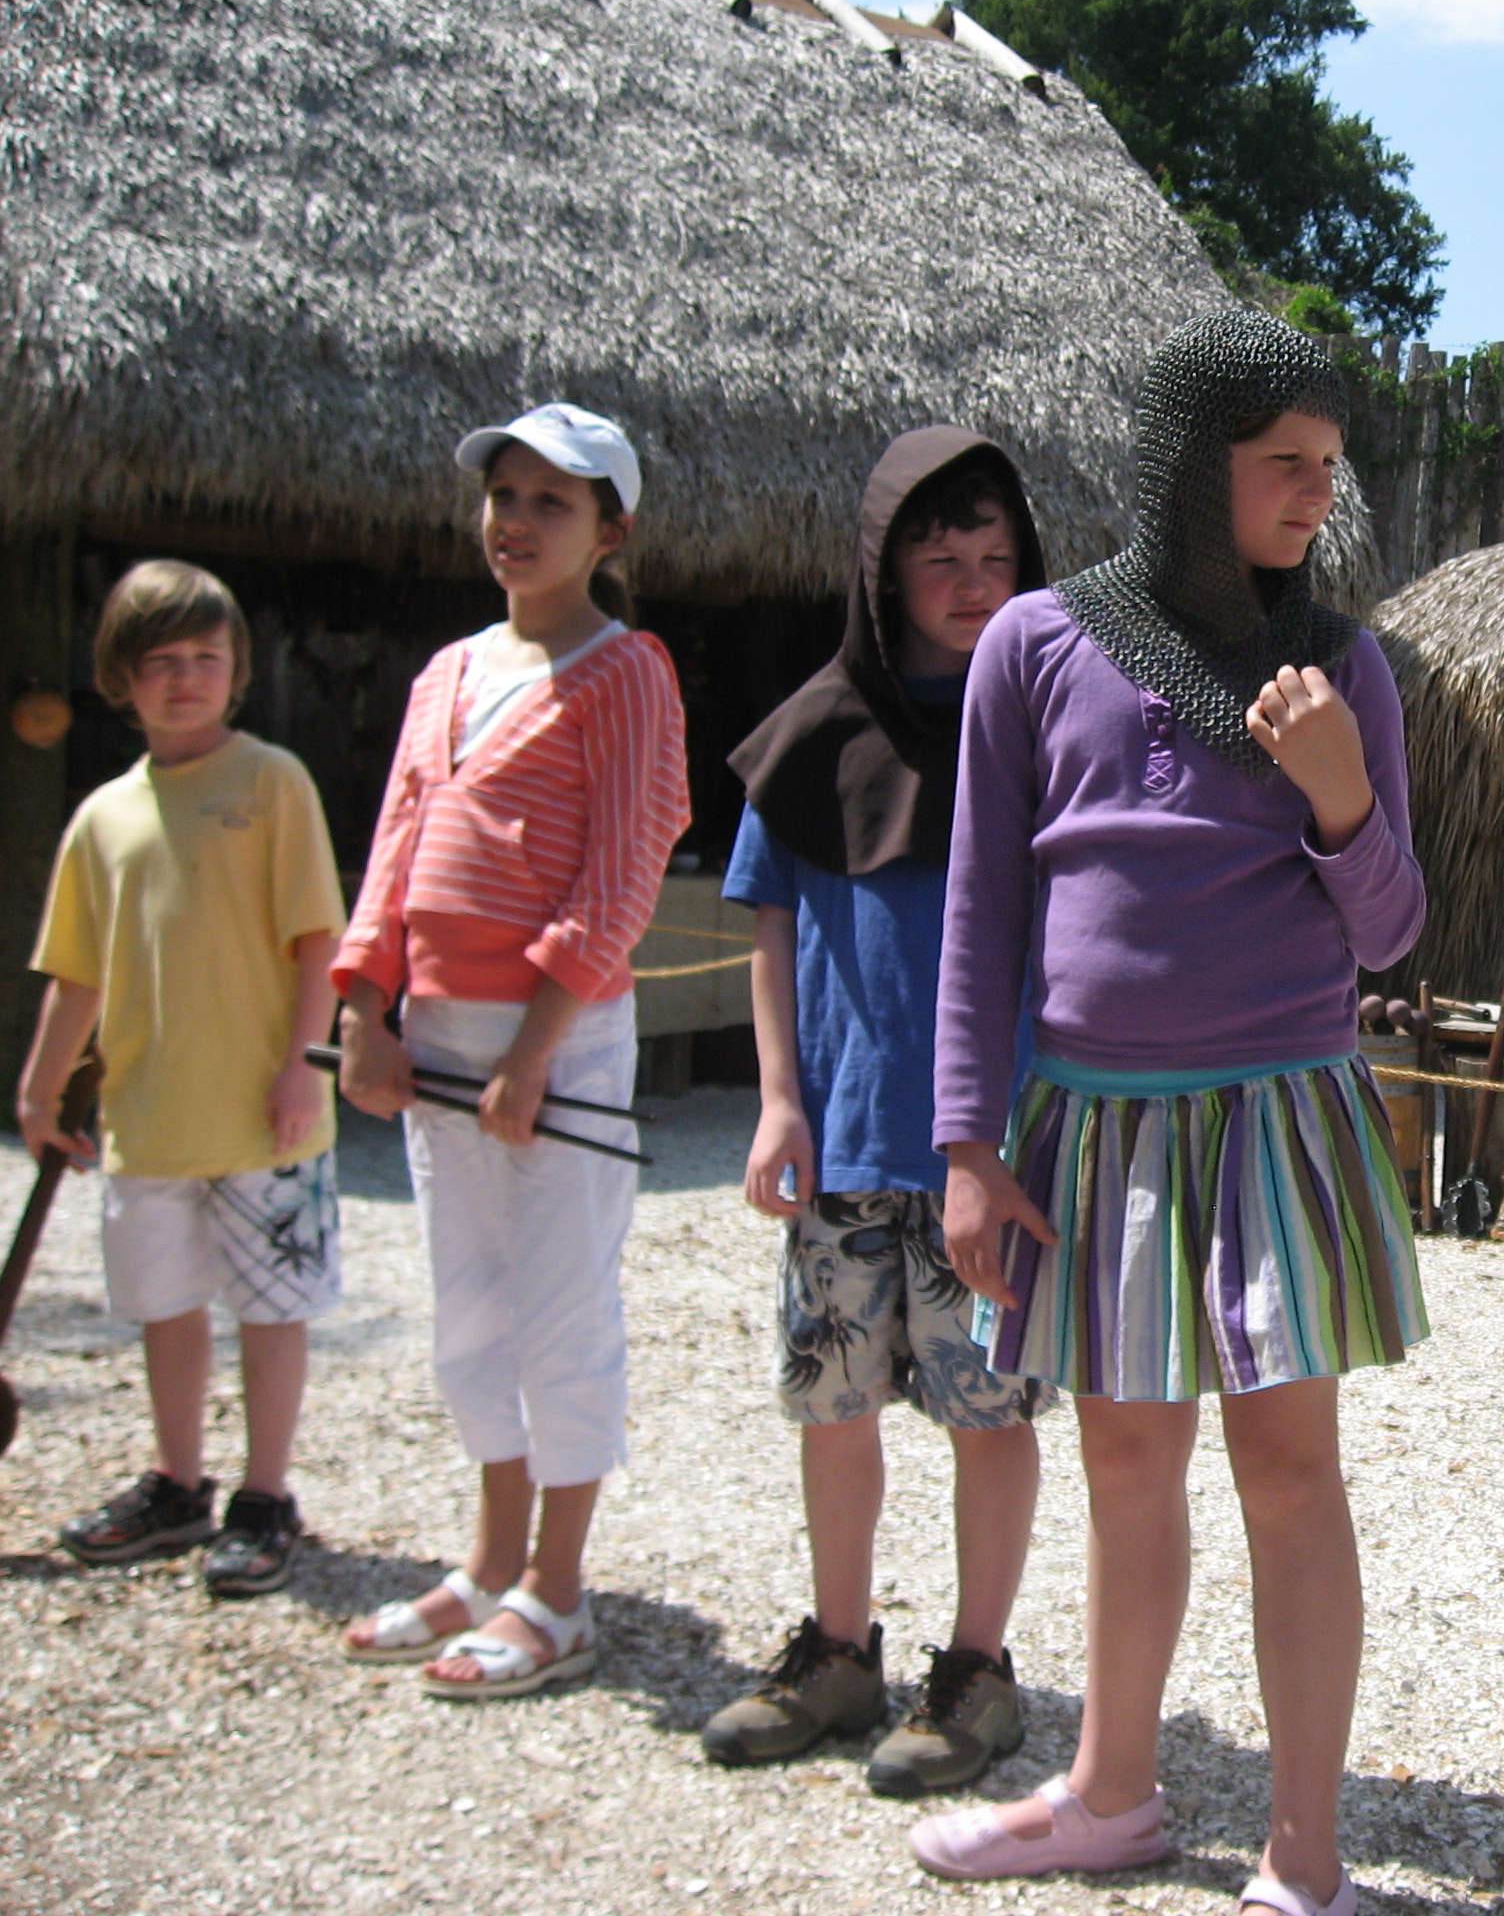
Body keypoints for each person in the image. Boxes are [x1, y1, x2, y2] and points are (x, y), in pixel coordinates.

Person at [911, 309, 1428, 1916]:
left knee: (1288, 1468)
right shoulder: (1036, 645)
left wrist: (1339, 784)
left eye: (1327, 471)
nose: (1310, 499)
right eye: (1283, 466)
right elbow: (983, 910)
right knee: (1127, 1464)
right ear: (1191, 466)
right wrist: (967, 1147)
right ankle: (1112, 1793)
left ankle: (1304, 1855)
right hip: (1097, 1130)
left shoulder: (1345, 668)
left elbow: (1394, 927)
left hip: (1280, 1117)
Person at [702, 429, 1056, 1785]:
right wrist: (777, 1102)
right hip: (843, 1132)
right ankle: (840, 1654)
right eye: (939, 560)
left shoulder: (1045, 726)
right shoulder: (818, 731)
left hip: (993, 1151)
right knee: (831, 1403)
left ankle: (976, 1671)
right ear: (882, 571)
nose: (970, 586)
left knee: (990, 1412)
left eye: (995, 560)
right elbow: (769, 924)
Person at [331, 402, 690, 1699]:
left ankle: (560, 1586)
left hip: (561, 1037)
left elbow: (625, 864)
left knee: (558, 1307)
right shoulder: (448, 674)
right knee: (468, 1311)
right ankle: (488, 1562)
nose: (518, 521)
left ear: (611, 530)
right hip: (435, 1033)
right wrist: (363, 1007)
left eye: (553, 501)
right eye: (505, 496)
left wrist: (535, 1049)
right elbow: (393, 850)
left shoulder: (626, 670)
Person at [19, 561, 346, 1598]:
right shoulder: (104, 817)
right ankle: (176, 1480)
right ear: (123, 679)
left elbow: (316, 943)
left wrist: (305, 1065)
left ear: (236, 671)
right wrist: (36, 1091)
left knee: (270, 1309)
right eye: (160, 663)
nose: (185, 680)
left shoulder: (270, 782)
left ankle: (264, 1492)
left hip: (267, 1110)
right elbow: (75, 973)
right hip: (149, 1113)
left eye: (206, 659)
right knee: (166, 1307)